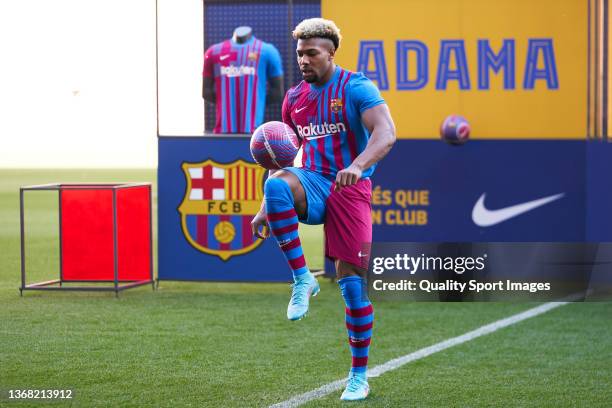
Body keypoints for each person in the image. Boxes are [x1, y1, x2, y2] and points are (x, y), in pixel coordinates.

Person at [251, 18, 396, 401]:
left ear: (331, 52)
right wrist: (267, 206)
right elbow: (283, 157)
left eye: (311, 53)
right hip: (313, 181)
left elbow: (386, 132)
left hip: (350, 187)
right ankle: (303, 278)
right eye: (299, 54)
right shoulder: (294, 99)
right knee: (277, 184)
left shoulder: (356, 86)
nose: (304, 60)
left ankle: (358, 376)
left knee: (352, 288)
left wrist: (358, 165)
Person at [202, 26, 284, 134]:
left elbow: (277, 92)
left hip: (254, 133)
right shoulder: (213, 52)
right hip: (222, 131)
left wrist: (258, 102)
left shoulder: (267, 51)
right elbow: (206, 92)